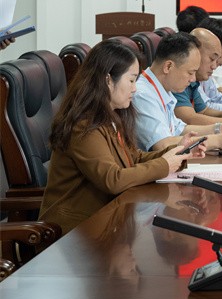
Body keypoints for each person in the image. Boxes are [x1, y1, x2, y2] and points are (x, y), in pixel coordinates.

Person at [39, 39, 207, 234]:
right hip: (74, 232)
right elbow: (112, 179)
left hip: (106, 221)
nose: (135, 88)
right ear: (108, 80)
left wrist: (178, 152)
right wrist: (164, 165)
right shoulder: (84, 125)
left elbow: (133, 158)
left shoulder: (112, 116)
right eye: (131, 80)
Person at [132, 32, 222, 151]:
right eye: (190, 73)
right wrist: (216, 141)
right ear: (168, 67)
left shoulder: (163, 89)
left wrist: (220, 128)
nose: (193, 79)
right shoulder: (143, 94)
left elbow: (180, 129)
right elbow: (162, 144)